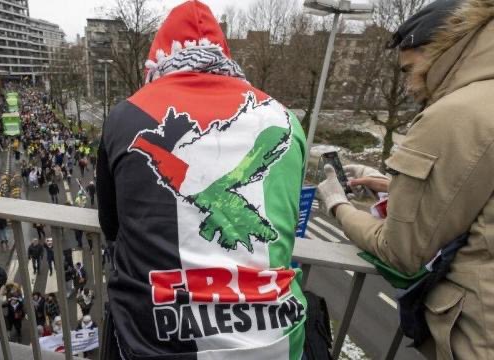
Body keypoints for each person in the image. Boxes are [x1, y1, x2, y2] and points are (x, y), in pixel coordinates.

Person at [95, 1, 307, 358]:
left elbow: (111, 226)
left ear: (156, 62)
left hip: (153, 339)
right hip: (276, 340)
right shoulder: (285, 117)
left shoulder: (126, 115)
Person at [317, 1, 494, 358]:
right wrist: (394, 185)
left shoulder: (456, 113)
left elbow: (400, 251)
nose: (410, 86)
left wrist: (337, 204)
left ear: (439, 50)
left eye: (410, 69)